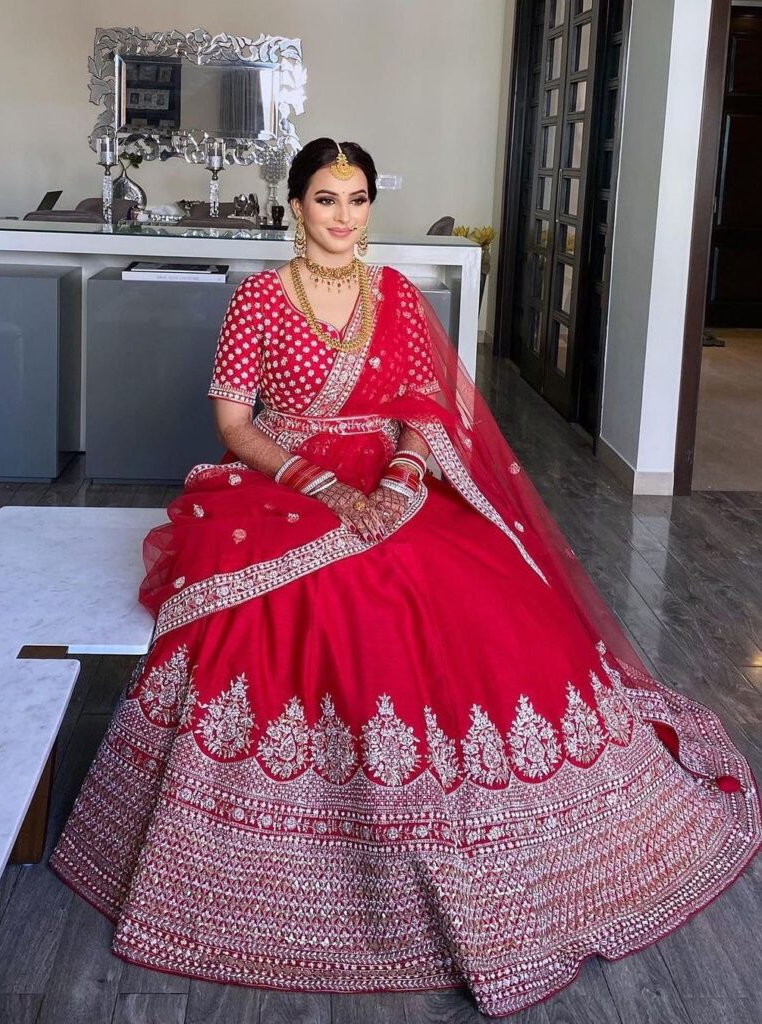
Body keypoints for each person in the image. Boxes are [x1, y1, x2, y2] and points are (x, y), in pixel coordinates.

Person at [51, 138, 761, 1018]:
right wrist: (324, 487)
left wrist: (395, 478)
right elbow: (236, 425)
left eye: (355, 199)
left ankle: (514, 818)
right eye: (323, 199)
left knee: (477, 587)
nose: (342, 218)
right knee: (320, 603)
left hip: (397, 480)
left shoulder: (396, 297)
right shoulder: (258, 302)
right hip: (285, 481)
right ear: (294, 207)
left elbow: (424, 410)